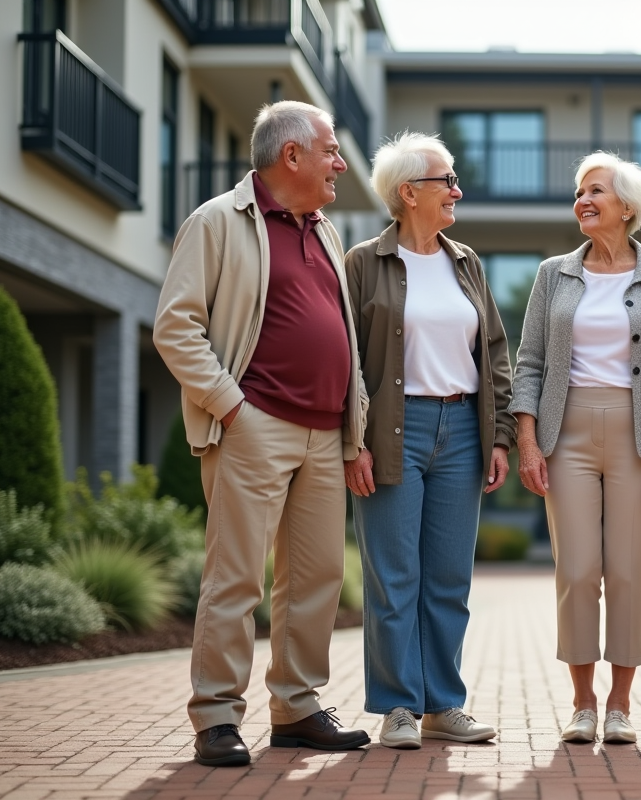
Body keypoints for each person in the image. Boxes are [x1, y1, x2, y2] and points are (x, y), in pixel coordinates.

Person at [153, 101, 372, 767]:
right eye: (331, 151)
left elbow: (345, 338)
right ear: (292, 156)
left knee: (316, 578)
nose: (340, 164)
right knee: (236, 577)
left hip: (325, 432)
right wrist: (232, 407)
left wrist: (353, 424)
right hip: (256, 426)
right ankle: (217, 715)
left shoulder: (327, 232)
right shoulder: (218, 221)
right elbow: (175, 326)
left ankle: (297, 707)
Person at [343, 131, 515, 750]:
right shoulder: (364, 262)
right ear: (408, 191)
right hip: (394, 429)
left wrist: (498, 436)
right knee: (394, 575)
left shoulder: (465, 261)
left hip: (462, 429)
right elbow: (346, 360)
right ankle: (397, 706)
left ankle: (443, 703)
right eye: (447, 181)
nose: (457, 192)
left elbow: (493, 350)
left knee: (448, 578)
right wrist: (351, 442)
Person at [512, 152, 641, 745]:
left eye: (595, 192)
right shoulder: (553, 274)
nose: (582, 201)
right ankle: (582, 702)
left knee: (630, 570)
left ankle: (620, 704)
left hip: (639, 432)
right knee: (579, 569)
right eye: (578, 193)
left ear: (627, 207)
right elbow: (530, 362)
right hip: (568, 433)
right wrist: (528, 440)